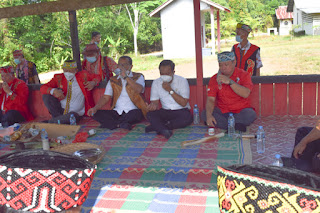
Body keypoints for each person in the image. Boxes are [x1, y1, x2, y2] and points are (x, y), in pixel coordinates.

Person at [87, 56, 147, 130]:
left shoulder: (138, 76)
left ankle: (113, 124)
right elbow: (106, 97)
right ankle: (121, 124)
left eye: (125, 64)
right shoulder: (113, 80)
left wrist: (126, 77)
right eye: (120, 65)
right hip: (117, 112)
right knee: (96, 114)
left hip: (133, 111)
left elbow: (139, 89)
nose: (122, 67)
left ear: (131, 66)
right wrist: (95, 108)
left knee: (137, 114)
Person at [203, 51, 256, 131]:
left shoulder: (243, 75)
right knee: (204, 114)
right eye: (220, 65)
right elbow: (211, 99)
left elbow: (246, 94)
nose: (223, 68)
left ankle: (227, 125)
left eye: (226, 65)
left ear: (234, 62)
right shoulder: (215, 78)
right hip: (223, 111)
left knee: (250, 114)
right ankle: (235, 126)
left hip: (240, 111)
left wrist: (230, 82)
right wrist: (209, 116)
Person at [145, 60, 193, 139]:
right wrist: (152, 106)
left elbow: (184, 103)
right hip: (165, 111)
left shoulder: (182, 81)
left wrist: (170, 90)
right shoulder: (156, 82)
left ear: (173, 72)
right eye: (162, 74)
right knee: (150, 115)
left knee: (186, 118)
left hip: (181, 110)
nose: (164, 76)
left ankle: (158, 127)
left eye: (167, 74)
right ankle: (164, 129)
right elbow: (155, 102)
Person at [40, 60, 98, 124]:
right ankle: (58, 120)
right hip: (60, 111)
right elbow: (43, 88)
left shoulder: (83, 76)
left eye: (70, 71)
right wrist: (54, 91)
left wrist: (93, 83)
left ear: (76, 70)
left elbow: (97, 77)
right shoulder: (59, 77)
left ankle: (51, 122)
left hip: (76, 113)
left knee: (71, 116)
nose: (68, 73)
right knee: (46, 96)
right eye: (66, 70)